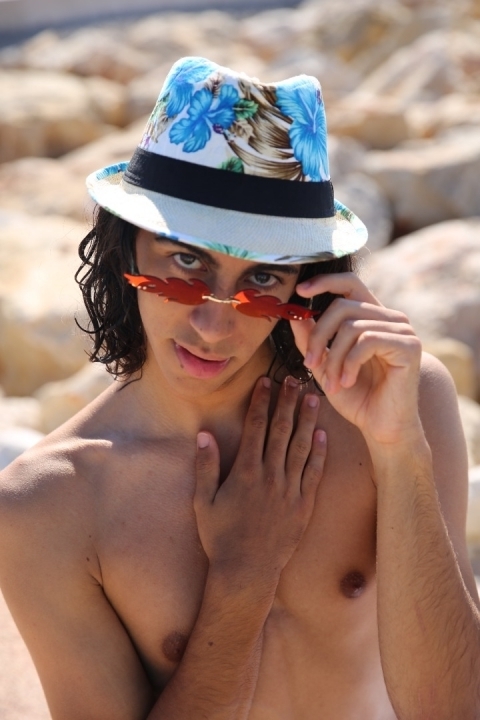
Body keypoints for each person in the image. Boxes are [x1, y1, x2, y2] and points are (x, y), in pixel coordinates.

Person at [0, 56, 479, 720]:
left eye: (261, 278)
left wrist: (399, 452)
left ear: (309, 281)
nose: (213, 324)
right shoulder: (48, 503)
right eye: (186, 262)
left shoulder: (403, 402)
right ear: (125, 247)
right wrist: (243, 579)